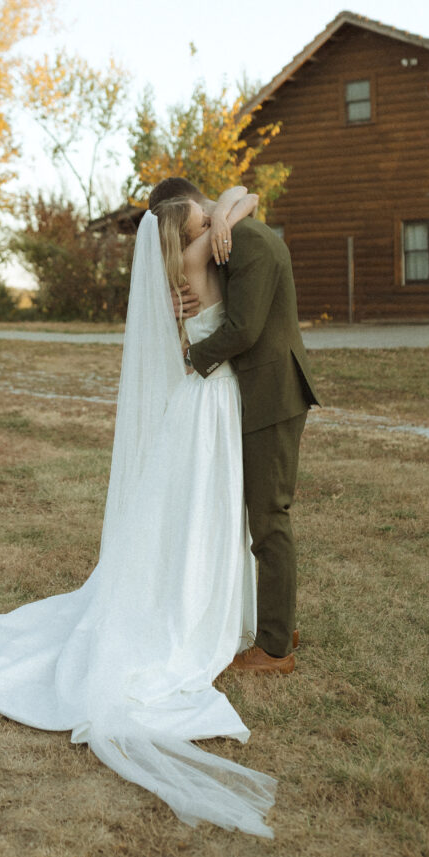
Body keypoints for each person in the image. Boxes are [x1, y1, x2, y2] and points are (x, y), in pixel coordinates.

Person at [0, 187, 279, 837]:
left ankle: (197, 594)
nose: (215, 212)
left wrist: (224, 216)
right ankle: (190, 609)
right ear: (186, 234)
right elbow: (244, 195)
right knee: (199, 513)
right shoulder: (202, 258)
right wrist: (231, 219)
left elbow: (240, 195)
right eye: (201, 216)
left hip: (204, 399)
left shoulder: (188, 255)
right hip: (211, 401)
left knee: (192, 512)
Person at [148, 178, 320, 672]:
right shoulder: (232, 235)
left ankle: (274, 649)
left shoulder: (245, 242)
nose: (194, 233)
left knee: (268, 519)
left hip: (272, 395)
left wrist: (192, 352)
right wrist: (225, 212)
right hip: (255, 393)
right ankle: (276, 623)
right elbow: (242, 192)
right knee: (251, 515)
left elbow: (243, 329)